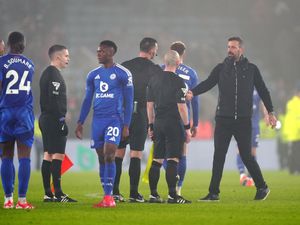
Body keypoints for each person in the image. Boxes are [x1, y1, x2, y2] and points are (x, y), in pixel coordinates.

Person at [187, 36, 277, 201]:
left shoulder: (252, 69)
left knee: (246, 156)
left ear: (241, 49)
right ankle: (213, 192)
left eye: (233, 47)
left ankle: (262, 187)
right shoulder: (221, 68)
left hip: (243, 120)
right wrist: (193, 92)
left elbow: (263, 90)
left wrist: (270, 112)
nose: (230, 50)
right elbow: (208, 83)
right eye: (228, 47)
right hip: (223, 119)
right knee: (219, 155)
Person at [75, 40, 133, 208]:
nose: (98, 53)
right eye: (98, 51)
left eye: (102, 51)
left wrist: (126, 125)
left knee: (110, 154)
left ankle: (109, 197)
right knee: (101, 158)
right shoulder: (93, 75)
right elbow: (87, 100)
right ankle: (106, 196)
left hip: (115, 119)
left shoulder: (123, 73)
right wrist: (80, 122)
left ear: (111, 53)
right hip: (97, 120)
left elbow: (129, 102)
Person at [113, 37, 162, 203]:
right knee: (136, 153)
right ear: (152, 50)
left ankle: (114, 191)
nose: (156, 52)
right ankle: (134, 193)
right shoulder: (155, 69)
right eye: (156, 49)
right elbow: (157, 94)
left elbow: (116, 90)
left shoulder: (124, 66)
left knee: (118, 153)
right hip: (141, 113)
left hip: (123, 114)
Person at [147, 50, 191, 204]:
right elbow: (182, 107)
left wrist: (150, 125)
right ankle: (173, 195)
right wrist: (187, 127)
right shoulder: (179, 82)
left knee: (157, 160)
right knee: (173, 159)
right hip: (172, 123)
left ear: (165, 62)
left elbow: (149, 105)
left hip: (158, 123)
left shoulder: (153, 80)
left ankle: (153, 195)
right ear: (178, 63)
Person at [0, 31, 35, 209]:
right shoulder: (30, 64)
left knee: (6, 156)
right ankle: (22, 200)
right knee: (24, 158)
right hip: (24, 113)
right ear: (23, 44)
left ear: (8, 44)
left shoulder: (1, 62)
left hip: (5, 113)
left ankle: (7, 200)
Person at [39, 44, 76, 202]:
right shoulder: (54, 75)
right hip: (54, 120)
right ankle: (59, 193)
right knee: (58, 155)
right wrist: (61, 118)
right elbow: (54, 100)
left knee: (48, 155)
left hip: (46, 119)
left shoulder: (46, 73)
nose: (68, 59)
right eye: (66, 56)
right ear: (58, 57)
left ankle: (48, 194)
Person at [161, 41, 199, 196]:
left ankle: (171, 175)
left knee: (162, 154)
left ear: (170, 53)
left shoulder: (161, 70)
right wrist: (194, 123)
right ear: (184, 54)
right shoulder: (191, 73)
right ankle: (179, 187)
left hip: (162, 116)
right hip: (182, 117)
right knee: (182, 153)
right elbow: (195, 100)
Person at [237, 89, 269, 186]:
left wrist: (266, 115)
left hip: (254, 124)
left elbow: (263, 102)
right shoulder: (241, 85)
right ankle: (242, 174)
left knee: (253, 151)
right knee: (240, 148)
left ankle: (251, 176)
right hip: (242, 123)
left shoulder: (257, 88)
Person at [282, 84, 300, 174]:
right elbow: (297, 118)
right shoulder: (297, 104)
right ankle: (297, 169)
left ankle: (292, 169)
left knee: (292, 151)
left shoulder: (290, 103)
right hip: (297, 131)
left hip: (290, 131)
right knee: (296, 152)